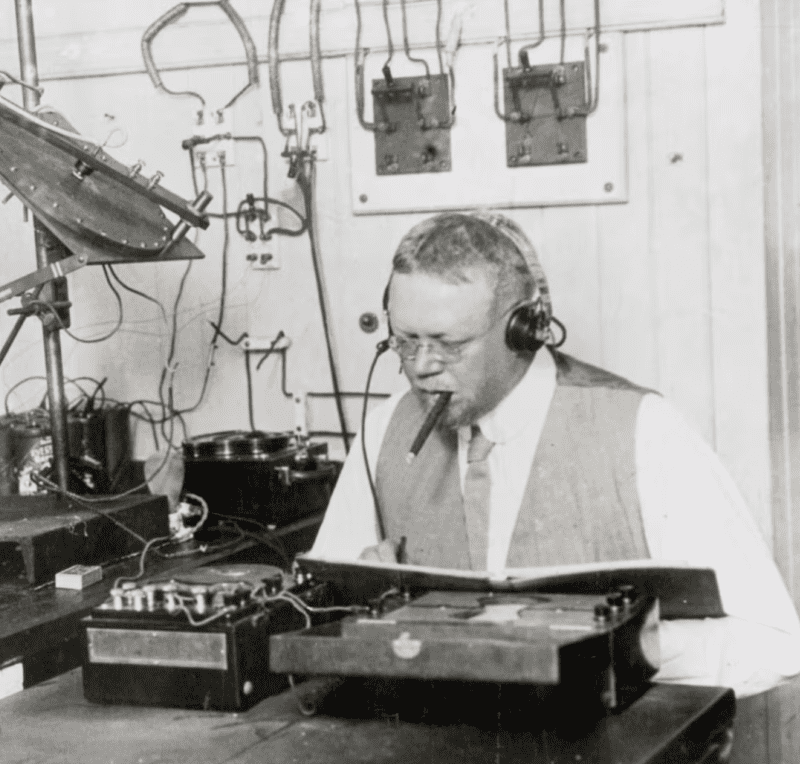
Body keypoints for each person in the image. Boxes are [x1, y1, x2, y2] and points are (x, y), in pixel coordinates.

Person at [309, 210, 800, 698]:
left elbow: (772, 643)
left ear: (524, 329)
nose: (421, 367)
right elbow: (317, 616)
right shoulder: (386, 428)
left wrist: (614, 644)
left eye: (449, 344)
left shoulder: (643, 431)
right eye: (404, 341)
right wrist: (361, 601)